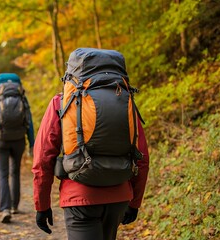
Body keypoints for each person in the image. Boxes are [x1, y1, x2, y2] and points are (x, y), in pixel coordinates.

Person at [32, 48, 149, 240]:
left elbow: (43, 159)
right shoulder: (125, 102)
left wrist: (42, 205)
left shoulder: (61, 103)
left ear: (70, 75)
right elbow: (142, 158)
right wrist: (134, 202)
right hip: (118, 196)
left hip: (79, 197)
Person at [0, 73, 35, 223]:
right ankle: (14, 206)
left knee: (3, 174)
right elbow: (29, 121)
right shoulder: (21, 96)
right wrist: (31, 143)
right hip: (19, 140)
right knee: (15, 172)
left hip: (1, 139)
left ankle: (5, 208)